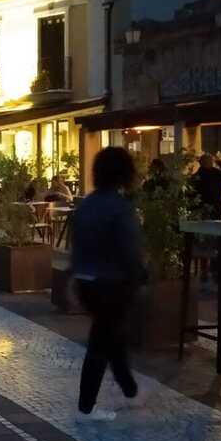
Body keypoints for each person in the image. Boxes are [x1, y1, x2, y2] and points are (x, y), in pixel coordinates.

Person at [70, 147, 147, 422]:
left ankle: (130, 390)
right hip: (112, 284)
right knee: (102, 342)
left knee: (111, 336)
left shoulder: (87, 204)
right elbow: (129, 249)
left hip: (87, 282)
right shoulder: (120, 207)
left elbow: (75, 245)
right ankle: (86, 408)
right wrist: (140, 275)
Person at [193, 153, 221, 220]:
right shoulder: (215, 173)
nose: (210, 162)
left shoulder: (198, 175)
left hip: (212, 206)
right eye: (209, 161)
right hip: (211, 207)